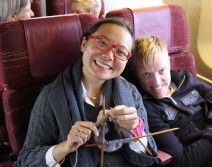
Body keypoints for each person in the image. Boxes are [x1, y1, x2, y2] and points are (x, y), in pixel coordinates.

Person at [14, 18, 158, 167]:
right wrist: (64, 147)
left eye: (120, 52)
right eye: (102, 42)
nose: (109, 55)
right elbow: (26, 160)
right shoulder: (50, 97)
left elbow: (149, 157)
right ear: (84, 44)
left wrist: (136, 131)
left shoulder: (131, 93)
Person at [129, 36, 212, 167]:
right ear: (136, 73)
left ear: (169, 63)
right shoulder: (147, 108)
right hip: (211, 156)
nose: (157, 82)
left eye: (162, 70)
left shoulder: (185, 80)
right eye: (146, 74)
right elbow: (182, 162)